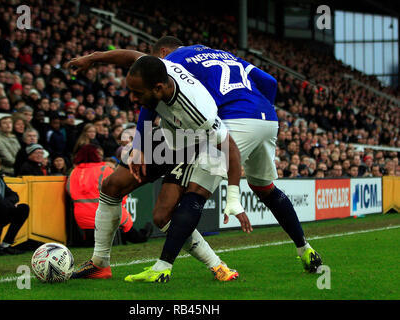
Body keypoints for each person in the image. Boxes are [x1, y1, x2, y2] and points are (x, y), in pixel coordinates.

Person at [68, 36, 323, 277]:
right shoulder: (225, 56)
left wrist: (92, 58)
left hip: (215, 128)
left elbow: (220, 138)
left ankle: (204, 266)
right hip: (263, 118)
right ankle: (304, 248)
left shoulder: (179, 73)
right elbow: (270, 82)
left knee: (180, 203)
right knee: (263, 187)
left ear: (163, 55)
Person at [68, 55, 245, 283]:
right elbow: (131, 56)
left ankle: (218, 266)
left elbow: (231, 150)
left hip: (195, 147)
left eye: (138, 93)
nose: (132, 98)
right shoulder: (159, 71)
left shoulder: (199, 113)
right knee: (111, 186)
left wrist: (233, 196)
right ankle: (100, 263)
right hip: (167, 138)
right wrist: (91, 59)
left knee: (163, 216)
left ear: (159, 87)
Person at [66, 144, 152, 249]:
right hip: (105, 214)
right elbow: (119, 190)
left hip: (83, 219)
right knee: (123, 220)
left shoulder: (73, 173)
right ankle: (141, 236)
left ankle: (137, 235)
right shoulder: (104, 170)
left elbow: (69, 191)